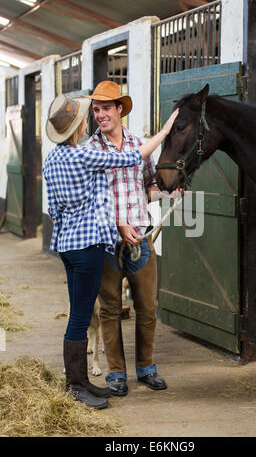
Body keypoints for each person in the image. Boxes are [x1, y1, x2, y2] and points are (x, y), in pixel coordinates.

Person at [42, 93, 178, 409]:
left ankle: (83, 382)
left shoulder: (53, 158)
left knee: (80, 312)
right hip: (89, 246)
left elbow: (54, 207)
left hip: (66, 244)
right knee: (81, 316)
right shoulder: (84, 155)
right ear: (77, 128)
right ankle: (76, 386)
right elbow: (134, 156)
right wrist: (167, 130)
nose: (94, 118)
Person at [87, 81, 176, 397]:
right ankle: (115, 374)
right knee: (110, 309)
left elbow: (149, 184)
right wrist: (117, 223)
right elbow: (91, 200)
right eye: (96, 109)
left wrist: (164, 193)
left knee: (148, 307)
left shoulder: (140, 144)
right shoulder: (90, 150)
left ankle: (146, 368)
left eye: (106, 108)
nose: (100, 115)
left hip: (141, 239)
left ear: (120, 109)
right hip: (107, 241)